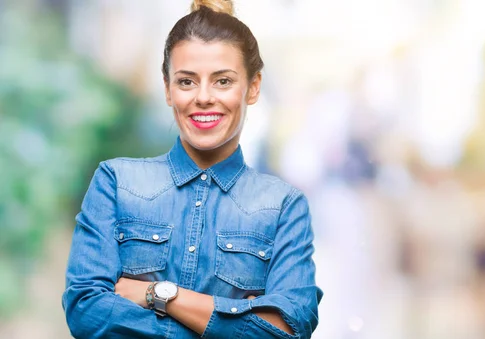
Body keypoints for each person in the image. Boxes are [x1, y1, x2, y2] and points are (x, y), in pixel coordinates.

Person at [62, 1, 323, 338]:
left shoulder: (285, 207)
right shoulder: (115, 182)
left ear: (254, 87)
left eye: (223, 81)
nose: (203, 97)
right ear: (168, 87)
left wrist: (158, 295)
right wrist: (236, 322)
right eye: (186, 82)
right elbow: (86, 312)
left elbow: (288, 331)